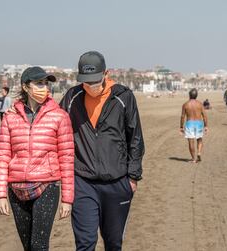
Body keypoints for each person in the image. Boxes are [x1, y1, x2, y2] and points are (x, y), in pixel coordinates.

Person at [59, 51, 145, 251]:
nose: (90, 87)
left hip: (118, 183)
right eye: (86, 82)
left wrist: (132, 177)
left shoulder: (124, 97)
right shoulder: (72, 97)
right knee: (85, 243)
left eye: (95, 81)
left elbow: (136, 139)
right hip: (83, 182)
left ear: (106, 74)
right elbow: (51, 122)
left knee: (113, 243)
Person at [0, 66, 74, 251]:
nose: (44, 87)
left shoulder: (60, 116)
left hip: (48, 185)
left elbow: (67, 158)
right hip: (16, 189)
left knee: (39, 245)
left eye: (46, 83)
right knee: (28, 246)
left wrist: (67, 199)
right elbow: (2, 156)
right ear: (25, 87)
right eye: (39, 83)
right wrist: (0, 194)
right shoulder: (10, 117)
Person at [180, 88, 208, 163]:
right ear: (196, 95)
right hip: (199, 123)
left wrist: (181, 127)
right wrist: (206, 126)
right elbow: (204, 115)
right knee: (199, 139)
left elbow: (182, 116)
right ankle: (199, 152)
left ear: (189, 95)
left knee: (191, 141)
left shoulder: (185, 104)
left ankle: (193, 158)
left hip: (189, 123)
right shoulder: (200, 104)